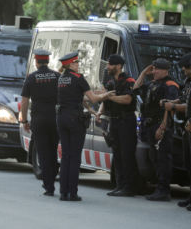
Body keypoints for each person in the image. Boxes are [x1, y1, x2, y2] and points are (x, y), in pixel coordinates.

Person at [57, 52, 114, 201]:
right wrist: (107, 95)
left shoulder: (61, 78)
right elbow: (94, 98)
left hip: (62, 117)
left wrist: (91, 110)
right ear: (70, 64)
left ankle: (63, 192)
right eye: (76, 63)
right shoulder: (78, 78)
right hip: (75, 120)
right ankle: (73, 193)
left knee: (66, 156)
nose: (78, 65)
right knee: (75, 157)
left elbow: (78, 97)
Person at [133, 58, 179, 201]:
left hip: (161, 126)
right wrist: (142, 73)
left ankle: (164, 190)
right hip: (150, 126)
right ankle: (159, 188)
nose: (154, 71)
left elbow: (169, 107)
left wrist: (162, 127)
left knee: (163, 159)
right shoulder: (152, 83)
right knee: (155, 158)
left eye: (157, 69)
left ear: (165, 70)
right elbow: (135, 89)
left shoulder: (170, 85)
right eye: (153, 69)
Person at [163, 52, 191, 209]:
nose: (183, 72)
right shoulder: (189, 82)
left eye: (185, 69)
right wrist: (172, 101)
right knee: (190, 165)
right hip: (186, 126)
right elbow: (184, 98)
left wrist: (173, 107)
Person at [96, 54, 138, 197]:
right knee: (117, 154)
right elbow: (104, 100)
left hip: (126, 121)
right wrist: (99, 112)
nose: (107, 67)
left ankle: (130, 187)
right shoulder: (110, 82)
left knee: (127, 155)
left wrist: (109, 96)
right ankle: (120, 185)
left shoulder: (129, 81)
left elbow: (127, 99)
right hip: (114, 121)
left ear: (118, 66)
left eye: (110, 64)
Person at [20, 49, 60, 196]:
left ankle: (49, 186)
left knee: (42, 152)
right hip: (55, 119)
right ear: (48, 61)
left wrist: (24, 120)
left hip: (38, 120)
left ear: (36, 62)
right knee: (53, 149)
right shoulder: (57, 76)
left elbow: (24, 101)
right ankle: (54, 171)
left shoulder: (31, 78)